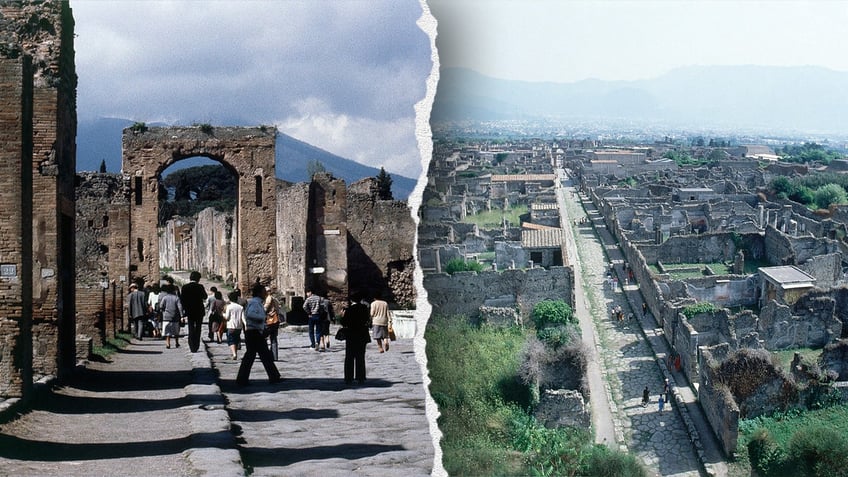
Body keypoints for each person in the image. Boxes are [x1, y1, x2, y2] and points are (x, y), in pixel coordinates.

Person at [236, 284, 281, 385]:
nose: (265, 293)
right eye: (264, 291)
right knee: (253, 355)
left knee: (260, 355)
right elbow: (250, 315)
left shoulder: (257, 302)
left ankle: (274, 376)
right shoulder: (255, 303)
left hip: (255, 332)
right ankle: (242, 379)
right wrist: (262, 317)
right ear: (260, 292)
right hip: (254, 332)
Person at [341, 292, 370, 385]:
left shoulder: (350, 310)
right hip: (362, 334)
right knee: (360, 357)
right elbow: (367, 320)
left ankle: (348, 377)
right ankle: (360, 376)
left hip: (351, 334)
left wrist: (342, 315)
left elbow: (344, 322)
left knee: (349, 357)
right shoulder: (364, 308)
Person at [180, 271, 207, 352]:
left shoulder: (185, 287)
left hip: (189, 311)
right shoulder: (200, 287)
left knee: (190, 328)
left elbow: (182, 300)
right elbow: (205, 296)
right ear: (198, 279)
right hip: (199, 311)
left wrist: (184, 309)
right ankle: (196, 345)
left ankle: (191, 346)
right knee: (198, 328)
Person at [158, 283, 184, 349]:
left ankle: (168, 343)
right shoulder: (176, 298)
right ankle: (177, 342)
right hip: (175, 317)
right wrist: (181, 316)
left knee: (167, 331)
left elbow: (161, 306)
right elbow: (180, 307)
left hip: (166, 316)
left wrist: (163, 311)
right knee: (176, 331)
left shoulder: (165, 298)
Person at [224, 290, 245, 360]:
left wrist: (222, 314)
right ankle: (235, 353)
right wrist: (246, 325)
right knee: (236, 340)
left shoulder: (229, 307)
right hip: (239, 327)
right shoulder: (240, 307)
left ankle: (234, 354)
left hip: (231, 326)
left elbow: (227, 317)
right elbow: (243, 318)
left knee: (231, 340)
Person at [264, 286, 283, 360]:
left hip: (269, 320)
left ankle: (266, 354)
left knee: (264, 337)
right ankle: (274, 356)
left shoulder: (268, 298)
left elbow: (265, 308)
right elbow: (278, 308)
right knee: (274, 339)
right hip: (275, 320)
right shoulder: (275, 299)